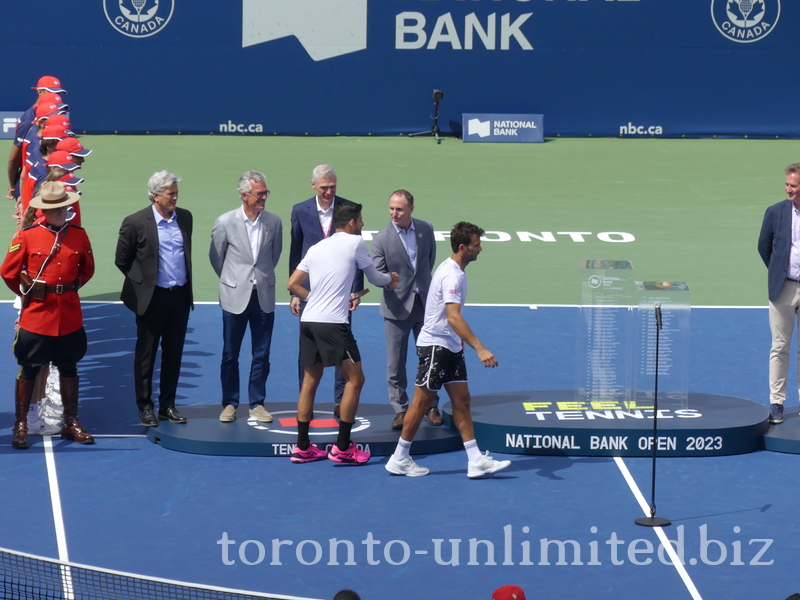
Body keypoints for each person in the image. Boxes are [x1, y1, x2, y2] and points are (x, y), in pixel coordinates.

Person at [385, 222, 511, 478]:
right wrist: (480, 348)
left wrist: (459, 341)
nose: (480, 249)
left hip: (450, 345)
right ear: (463, 247)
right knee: (421, 403)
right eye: (476, 245)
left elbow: (451, 319)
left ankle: (475, 460)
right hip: (436, 347)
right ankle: (399, 458)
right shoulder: (452, 274)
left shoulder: (455, 270)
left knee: (462, 400)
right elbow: (453, 317)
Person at [287, 200, 398, 465]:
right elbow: (375, 278)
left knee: (310, 380)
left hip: (309, 321)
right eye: (360, 220)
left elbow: (293, 284)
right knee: (355, 380)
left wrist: (318, 299)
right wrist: (391, 279)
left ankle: (303, 447)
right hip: (334, 325)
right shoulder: (355, 242)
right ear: (351, 223)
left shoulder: (317, 247)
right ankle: (343, 448)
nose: (362, 224)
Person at [0, 182, 94, 448]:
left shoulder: (78, 234)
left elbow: (87, 269)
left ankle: (71, 421)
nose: (61, 211)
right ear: (44, 210)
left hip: (69, 315)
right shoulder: (27, 235)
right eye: (55, 207)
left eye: (64, 206)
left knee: (69, 366)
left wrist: (66, 292)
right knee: (29, 368)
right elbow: (8, 271)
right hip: (38, 314)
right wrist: (27, 294)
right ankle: (20, 425)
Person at [115, 171, 193, 427]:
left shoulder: (185, 218)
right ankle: (145, 407)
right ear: (155, 195)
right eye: (170, 193)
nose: (175, 197)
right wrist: (144, 285)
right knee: (146, 355)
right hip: (152, 300)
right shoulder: (135, 222)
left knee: (174, 354)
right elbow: (122, 260)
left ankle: (167, 406)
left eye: (176, 192)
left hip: (179, 298)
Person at [289, 165, 363, 417]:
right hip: (310, 293)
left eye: (332, 187)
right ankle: (304, 399)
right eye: (324, 188)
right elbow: (296, 251)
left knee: (343, 352)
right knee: (308, 356)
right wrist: (296, 294)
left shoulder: (349, 210)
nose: (329, 192)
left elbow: (357, 255)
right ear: (313, 185)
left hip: (341, 295)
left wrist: (355, 291)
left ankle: (341, 401)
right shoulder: (300, 210)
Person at [209, 170, 282, 423]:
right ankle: (229, 403)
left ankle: (257, 404)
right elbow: (216, 258)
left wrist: (258, 278)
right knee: (230, 353)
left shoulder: (274, 222)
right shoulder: (224, 222)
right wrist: (234, 280)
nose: (264, 197)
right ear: (244, 195)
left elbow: (274, 256)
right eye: (259, 193)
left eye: (265, 193)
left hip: (263, 295)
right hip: (234, 296)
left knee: (261, 354)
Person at [372, 189, 439, 429]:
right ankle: (400, 409)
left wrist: (418, 286)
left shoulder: (425, 229)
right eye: (391, 208)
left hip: (424, 306)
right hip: (396, 308)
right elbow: (376, 273)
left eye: (399, 209)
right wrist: (387, 279)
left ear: (411, 209)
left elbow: (428, 261)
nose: (394, 213)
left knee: (430, 359)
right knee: (395, 364)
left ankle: (430, 406)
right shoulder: (381, 238)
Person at [758, 163, 800, 425]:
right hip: (783, 288)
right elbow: (764, 247)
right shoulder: (775, 212)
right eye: (787, 184)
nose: (788, 189)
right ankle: (777, 403)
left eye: (793, 186)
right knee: (780, 347)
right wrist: (778, 273)